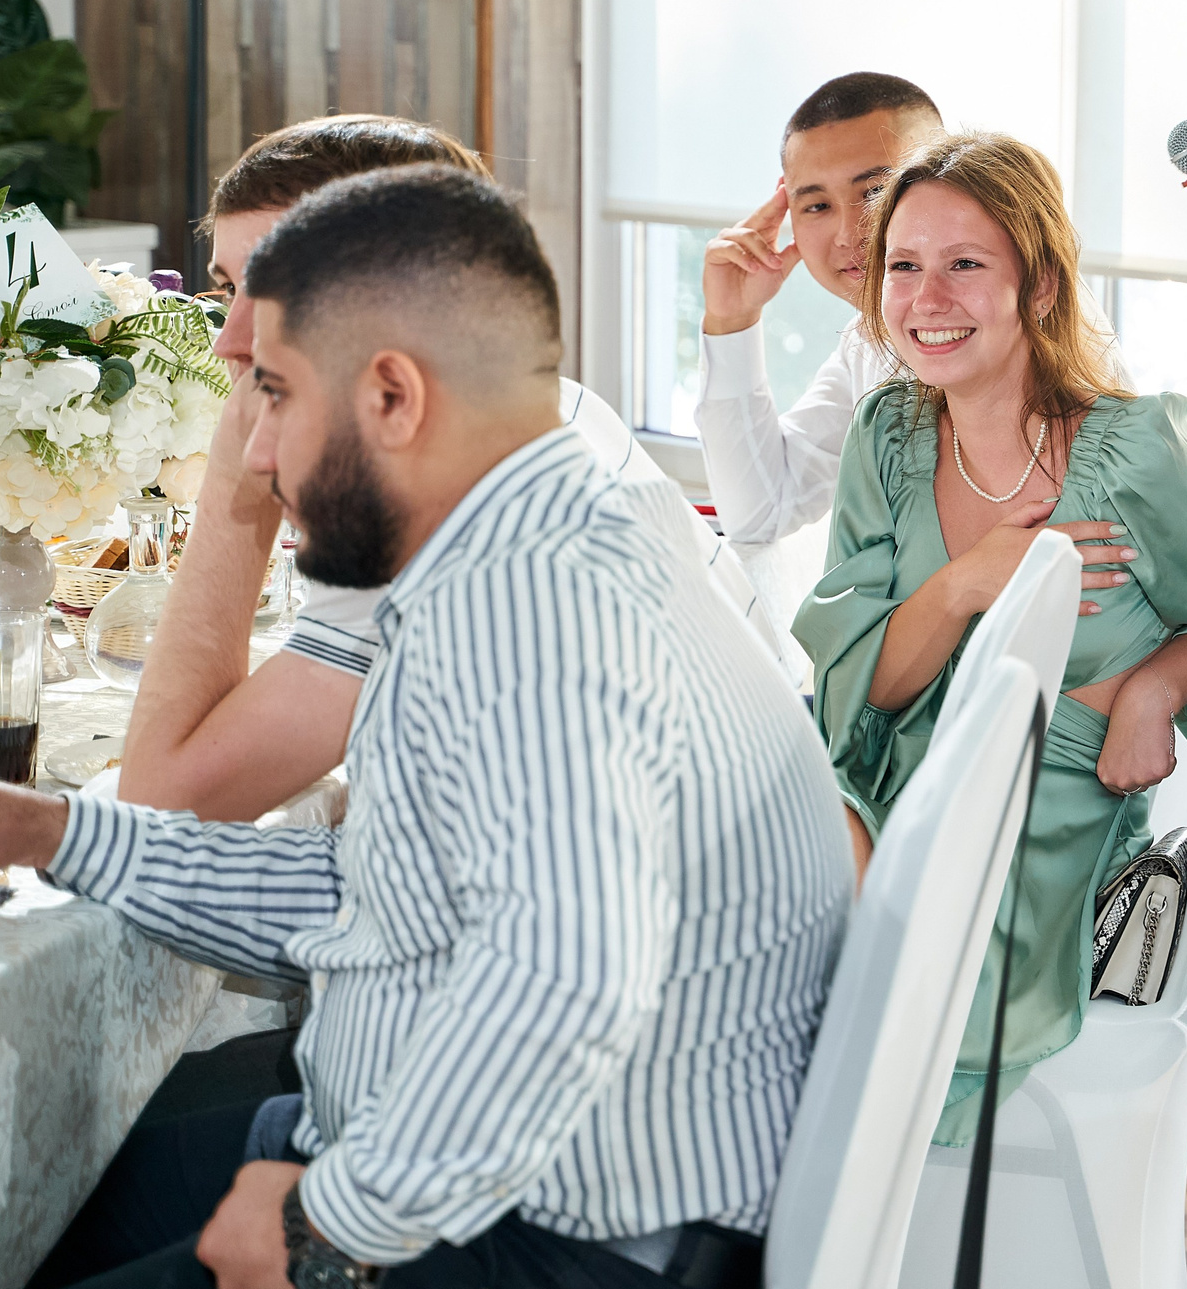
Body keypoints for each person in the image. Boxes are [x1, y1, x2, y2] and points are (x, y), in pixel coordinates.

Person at [0, 166, 851, 1289]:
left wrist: (331, 1223)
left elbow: (567, 983)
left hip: (552, 1239)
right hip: (473, 1165)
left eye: (276, 395)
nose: (251, 458)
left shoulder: (538, 612)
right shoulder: (555, 529)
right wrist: (54, 832)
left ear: (393, 397)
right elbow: (377, 891)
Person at [792, 132, 1187, 1145]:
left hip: (1037, 833)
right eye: (904, 266)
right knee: (748, 855)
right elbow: (860, 700)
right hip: (883, 787)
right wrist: (970, 584)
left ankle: (819, 1221)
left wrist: (1155, 687)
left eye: (966, 265)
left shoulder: (1136, 456)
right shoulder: (887, 438)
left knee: (815, 989)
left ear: (1042, 287)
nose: (928, 298)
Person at [121, 114, 772, 823]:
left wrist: (235, 479)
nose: (233, 340)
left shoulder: (426, 488)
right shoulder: (552, 407)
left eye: (279, 292)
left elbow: (165, 800)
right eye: (228, 292)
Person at [695, 72, 944, 551]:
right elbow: (759, 513)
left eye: (875, 192)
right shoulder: (869, 344)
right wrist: (731, 321)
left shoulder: (1020, 312)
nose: (849, 235)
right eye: (816, 205)